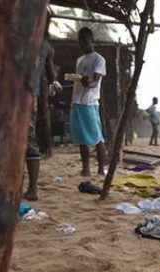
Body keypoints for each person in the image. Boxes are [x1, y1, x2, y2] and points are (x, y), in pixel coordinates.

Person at [24, 16, 62, 200]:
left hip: (26, 96)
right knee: (24, 140)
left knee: (27, 140)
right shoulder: (41, 44)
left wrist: (54, 83)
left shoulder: (43, 45)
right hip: (22, 95)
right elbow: (51, 73)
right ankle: (29, 188)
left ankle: (32, 189)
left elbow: (51, 73)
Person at [70, 27, 107, 176]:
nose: (82, 44)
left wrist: (88, 83)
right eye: (80, 41)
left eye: (85, 41)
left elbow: (95, 81)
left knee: (97, 137)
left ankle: (100, 169)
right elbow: (78, 80)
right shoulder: (79, 60)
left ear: (92, 41)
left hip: (90, 102)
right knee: (81, 138)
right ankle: (86, 168)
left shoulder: (99, 59)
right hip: (77, 101)